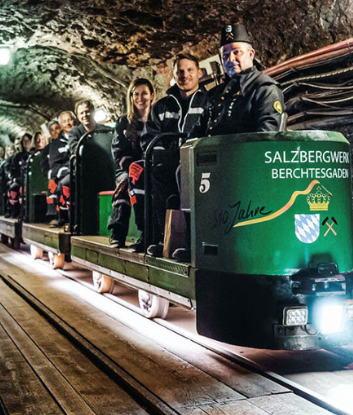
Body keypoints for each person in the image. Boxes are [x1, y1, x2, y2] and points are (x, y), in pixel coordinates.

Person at [141, 54, 211, 257]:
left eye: (190, 70)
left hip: (199, 163)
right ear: (174, 74)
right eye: (180, 71)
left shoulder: (209, 103)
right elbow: (150, 138)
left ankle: (191, 244)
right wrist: (166, 157)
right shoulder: (161, 106)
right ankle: (163, 239)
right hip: (169, 162)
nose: (185, 75)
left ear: (199, 73)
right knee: (156, 177)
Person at [195, 24, 285, 137]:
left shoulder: (265, 89)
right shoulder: (215, 93)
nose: (230, 58)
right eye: (225, 55)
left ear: (251, 54)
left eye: (236, 52)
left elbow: (267, 137)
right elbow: (197, 133)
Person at [109, 79, 153, 250]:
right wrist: (130, 165)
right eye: (136, 94)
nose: (140, 98)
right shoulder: (123, 122)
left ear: (152, 95)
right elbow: (117, 151)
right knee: (126, 181)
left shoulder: (156, 119)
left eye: (144, 93)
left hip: (150, 167)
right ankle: (118, 232)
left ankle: (149, 233)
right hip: (128, 168)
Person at [46, 111, 76, 227]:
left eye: (70, 120)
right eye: (64, 121)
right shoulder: (56, 145)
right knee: (63, 184)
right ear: (61, 125)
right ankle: (64, 217)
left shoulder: (82, 136)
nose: (68, 123)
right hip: (68, 173)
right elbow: (54, 166)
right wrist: (69, 170)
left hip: (84, 171)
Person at [7, 133, 33, 217]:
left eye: (27, 141)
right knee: (14, 188)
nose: (26, 143)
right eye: (24, 141)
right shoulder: (18, 156)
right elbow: (13, 170)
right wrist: (16, 178)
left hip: (32, 180)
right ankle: (15, 211)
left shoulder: (35, 153)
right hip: (20, 179)